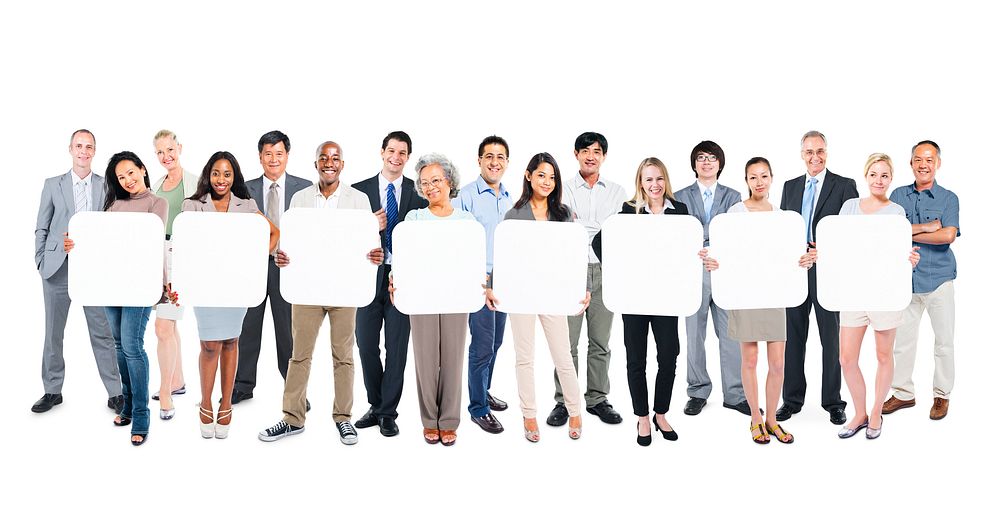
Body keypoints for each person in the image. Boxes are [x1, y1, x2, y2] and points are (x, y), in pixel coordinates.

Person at [257, 141, 383, 445]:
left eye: (335, 158)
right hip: (307, 289)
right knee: (298, 356)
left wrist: (374, 255)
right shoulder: (300, 198)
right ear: (316, 164)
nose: (329, 162)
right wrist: (280, 257)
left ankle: (343, 419)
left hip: (344, 289)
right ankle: (292, 418)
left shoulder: (359, 199)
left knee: (343, 356)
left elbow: (366, 245)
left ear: (342, 164)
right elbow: (291, 243)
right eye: (323, 158)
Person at [700, 157, 813, 444]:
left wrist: (805, 259)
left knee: (777, 364)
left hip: (774, 293)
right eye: (753, 177)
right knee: (749, 360)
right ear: (746, 181)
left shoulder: (782, 216)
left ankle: (772, 419)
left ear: (772, 178)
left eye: (764, 176)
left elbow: (789, 255)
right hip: (745, 293)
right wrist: (713, 260)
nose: (759, 182)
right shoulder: (736, 212)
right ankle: (755, 418)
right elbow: (726, 250)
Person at [64, 151, 169, 445]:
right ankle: (126, 403)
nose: (127, 180)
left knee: (133, 346)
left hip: (141, 284)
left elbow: (149, 243)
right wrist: (75, 242)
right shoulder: (112, 205)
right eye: (121, 177)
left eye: (130, 173)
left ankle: (141, 413)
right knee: (120, 344)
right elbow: (101, 245)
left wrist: (163, 284)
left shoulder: (156, 204)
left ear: (143, 170)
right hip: (111, 283)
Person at [182, 152, 280, 439]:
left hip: (235, 286)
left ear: (234, 176)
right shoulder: (193, 205)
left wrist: (253, 261)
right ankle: (206, 401)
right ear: (208, 175)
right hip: (205, 286)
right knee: (209, 344)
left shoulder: (247, 206)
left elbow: (273, 233)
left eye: (227, 174)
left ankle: (226, 403)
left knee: (230, 342)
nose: (221, 179)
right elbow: (185, 244)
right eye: (216, 173)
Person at [591, 158, 688, 446]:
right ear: (640, 183)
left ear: (665, 180)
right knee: (636, 359)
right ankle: (642, 417)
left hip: (667, 297)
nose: (654, 185)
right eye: (648, 180)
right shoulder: (628, 211)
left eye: (659, 179)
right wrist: (620, 271)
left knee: (669, 355)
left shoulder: (679, 211)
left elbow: (684, 250)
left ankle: (661, 413)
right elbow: (600, 243)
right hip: (634, 297)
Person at [500, 152, 589, 442]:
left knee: (563, 355)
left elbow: (578, 255)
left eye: (552, 177)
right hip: (522, 293)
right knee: (524, 358)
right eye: (541, 175)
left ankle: (575, 410)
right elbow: (505, 258)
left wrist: (583, 288)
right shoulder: (513, 215)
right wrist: (496, 287)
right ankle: (529, 415)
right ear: (528, 176)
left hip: (554, 292)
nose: (547, 181)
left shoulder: (564, 214)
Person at [32, 129, 122, 414]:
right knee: (53, 333)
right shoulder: (52, 185)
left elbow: (111, 229)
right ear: (70, 149)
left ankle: (116, 392)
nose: (84, 151)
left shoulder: (105, 186)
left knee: (102, 333)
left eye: (89, 147)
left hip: (93, 271)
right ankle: (52, 390)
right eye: (79, 146)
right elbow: (42, 227)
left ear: (94, 151)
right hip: (57, 268)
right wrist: (41, 260)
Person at [390, 153, 475, 446]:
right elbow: (404, 259)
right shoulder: (415, 218)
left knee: (452, 358)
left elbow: (472, 260)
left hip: (456, 296)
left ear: (449, 182)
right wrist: (395, 281)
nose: (430, 187)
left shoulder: (466, 220)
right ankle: (430, 420)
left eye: (436, 180)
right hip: (421, 295)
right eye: (424, 183)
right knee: (425, 360)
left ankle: (449, 421)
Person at [835, 153, 921, 439]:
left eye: (884, 175)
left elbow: (897, 252)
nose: (878, 180)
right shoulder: (850, 207)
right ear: (866, 175)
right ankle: (859, 412)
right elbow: (840, 244)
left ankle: (875, 413)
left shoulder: (896, 212)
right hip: (854, 291)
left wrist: (908, 260)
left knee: (884, 356)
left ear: (891, 179)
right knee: (847, 358)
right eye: (873, 174)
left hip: (884, 292)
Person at [777, 130, 859, 425]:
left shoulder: (844, 185)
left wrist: (824, 250)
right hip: (796, 271)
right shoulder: (790, 186)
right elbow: (784, 228)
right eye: (809, 152)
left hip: (829, 272)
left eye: (820, 151)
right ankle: (792, 400)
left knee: (831, 340)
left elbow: (852, 231)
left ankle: (833, 401)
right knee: (793, 339)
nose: (815, 157)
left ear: (828, 152)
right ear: (802, 154)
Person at [352, 131, 429, 437]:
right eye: (391, 151)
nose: (396, 157)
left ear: (408, 158)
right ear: (382, 152)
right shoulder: (359, 192)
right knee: (366, 344)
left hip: (403, 278)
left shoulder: (418, 191)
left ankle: (387, 412)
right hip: (367, 277)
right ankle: (375, 403)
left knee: (396, 347)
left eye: (403, 153)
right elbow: (345, 238)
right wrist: (369, 226)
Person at [548, 132, 626, 428]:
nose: (590, 156)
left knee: (600, 341)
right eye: (585, 151)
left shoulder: (618, 192)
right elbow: (561, 229)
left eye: (596, 151)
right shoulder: (562, 190)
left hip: (607, 271)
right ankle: (563, 401)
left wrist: (582, 226)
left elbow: (617, 230)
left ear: (604, 156)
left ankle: (597, 399)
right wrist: (594, 228)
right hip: (570, 271)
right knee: (566, 343)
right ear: (576, 154)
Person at [883, 140, 959, 421]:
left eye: (929, 159)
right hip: (906, 282)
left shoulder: (949, 198)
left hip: (940, 279)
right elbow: (888, 233)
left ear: (937, 163)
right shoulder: (898, 196)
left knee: (944, 342)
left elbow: (948, 236)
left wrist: (905, 232)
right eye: (918, 159)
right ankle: (904, 394)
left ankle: (942, 395)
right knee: (902, 341)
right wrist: (928, 227)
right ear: (911, 163)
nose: (923, 164)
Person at [234, 130, 311, 404]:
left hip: (288, 268)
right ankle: (242, 385)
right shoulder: (244, 187)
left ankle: (295, 390)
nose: (273, 159)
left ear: (287, 156)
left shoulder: (305, 188)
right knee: (247, 328)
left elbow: (311, 231)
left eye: (279, 153)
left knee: (289, 333)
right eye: (268, 154)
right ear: (260, 157)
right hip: (253, 268)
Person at [673, 140, 748, 416]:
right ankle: (697, 391)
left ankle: (735, 393)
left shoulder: (733, 196)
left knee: (731, 334)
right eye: (701, 158)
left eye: (712, 158)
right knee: (694, 333)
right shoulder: (679, 195)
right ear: (694, 164)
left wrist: (718, 251)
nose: (706, 162)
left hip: (724, 269)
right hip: (692, 271)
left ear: (720, 164)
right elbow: (677, 234)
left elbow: (737, 233)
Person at [453, 135, 514, 434]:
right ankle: (478, 408)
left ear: (507, 162)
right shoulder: (465, 196)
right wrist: (479, 280)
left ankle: (484, 390)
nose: (494, 162)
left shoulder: (510, 198)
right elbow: (458, 242)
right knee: (481, 346)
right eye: (488, 156)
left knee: (497, 342)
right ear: (479, 160)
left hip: (506, 279)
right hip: (479, 279)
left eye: (500, 157)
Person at [150, 130, 199, 420]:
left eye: (170, 149)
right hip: (158, 258)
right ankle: (178, 380)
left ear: (180, 147)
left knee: (163, 327)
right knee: (171, 325)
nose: (166, 156)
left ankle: (166, 390)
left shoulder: (194, 182)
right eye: (159, 152)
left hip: (182, 259)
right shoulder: (155, 185)